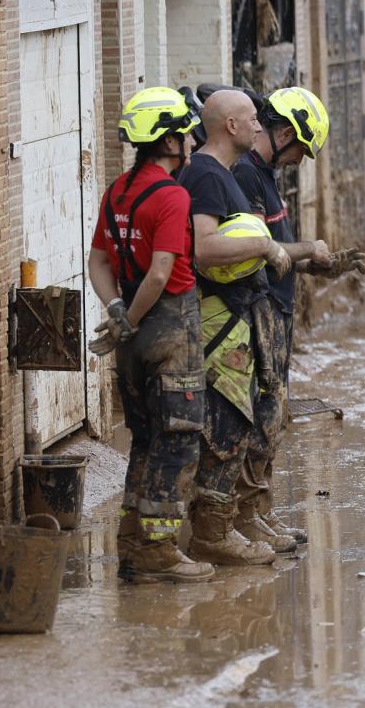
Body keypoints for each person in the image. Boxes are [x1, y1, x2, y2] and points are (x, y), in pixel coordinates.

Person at [233, 86, 365, 554]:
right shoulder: (245, 175)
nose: (302, 160)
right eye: (302, 150)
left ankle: (258, 512)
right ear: (285, 131)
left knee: (273, 417)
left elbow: (278, 252)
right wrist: (309, 249)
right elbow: (257, 254)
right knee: (261, 416)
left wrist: (323, 263)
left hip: (279, 310)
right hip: (259, 310)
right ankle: (244, 517)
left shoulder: (264, 175)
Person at [87, 87, 211, 583]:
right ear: (170, 141)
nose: (188, 142)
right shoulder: (173, 196)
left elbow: (98, 261)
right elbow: (162, 272)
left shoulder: (117, 190)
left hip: (132, 338)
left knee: (143, 438)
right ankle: (159, 548)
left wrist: (118, 312)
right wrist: (135, 316)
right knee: (178, 440)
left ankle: (132, 543)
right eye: (184, 134)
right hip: (168, 329)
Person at [179, 89, 292, 568]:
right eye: (251, 120)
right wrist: (264, 248)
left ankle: (223, 526)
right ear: (229, 126)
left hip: (233, 316)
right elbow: (204, 249)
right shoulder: (206, 175)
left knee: (239, 421)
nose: (258, 127)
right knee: (225, 426)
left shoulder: (218, 174)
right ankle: (212, 534)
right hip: (217, 321)